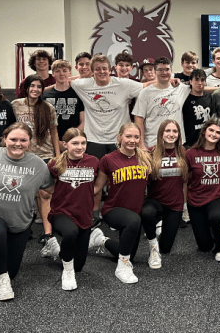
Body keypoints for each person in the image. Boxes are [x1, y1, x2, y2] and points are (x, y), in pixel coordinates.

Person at [0, 123, 55, 300]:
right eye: (13, 139)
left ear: (30, 142)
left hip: (19, 221)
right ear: (5, 140)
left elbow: (49, 191)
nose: (18, 143)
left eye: (23, 140)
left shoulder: (38, 165)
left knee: (12, 271)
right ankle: (2, 280)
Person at [92, 123, 154, 283]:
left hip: (135, 212)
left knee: (126, 251)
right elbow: (98, 187)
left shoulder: (145, 157)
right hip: (113, 209)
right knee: (133, 222)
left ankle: (101, 240)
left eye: (136, 137)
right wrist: (74, 195)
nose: (132, 140)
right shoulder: (108, 159)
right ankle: (122, 267)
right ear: (119, 138)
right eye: (128, 136)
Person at [42, 128, 99, 291]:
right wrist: (62, 194)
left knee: (79, 265)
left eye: (83, 143)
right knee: (70, 233)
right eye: (75, 143)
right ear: (65, 144)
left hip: (84, 214)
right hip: (61, 213)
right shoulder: (55, 164)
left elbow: (99, 184)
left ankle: (56, 250)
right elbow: (46, 188)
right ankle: (67, 271)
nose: (80, 147)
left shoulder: (94, 161)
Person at [70, 54, 145, 160]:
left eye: (104, 69)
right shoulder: (82, 85)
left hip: (119, 139)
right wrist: (43, 90)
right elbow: (63, 82)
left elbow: (147, 86)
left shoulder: (124, 84)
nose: (102, 72)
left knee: (119, 175)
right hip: (93, 140)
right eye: (97, 69)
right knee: (96, 173)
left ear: (110, 70)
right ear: (92, 72)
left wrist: (168, 81)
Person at [186, 118, 220, 265]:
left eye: (218, 132)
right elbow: (185, 179)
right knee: (204, 247)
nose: (214, 134)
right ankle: (211, 237)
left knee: (217, 216)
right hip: (195, 200)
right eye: (211, 130)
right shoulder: (191, 153)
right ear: (204, 131)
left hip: (217, 196)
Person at [12, 74, 59, 237]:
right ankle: (25, 225)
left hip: (45, 154)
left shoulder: (48, 108)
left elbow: (54, 131)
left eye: (39, 87)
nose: (35, 89)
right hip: (22, 154)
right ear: (26, 88)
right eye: (32, 86)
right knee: (23, 191)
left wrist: (58, 155)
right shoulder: (15, 105)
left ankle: (48, 231)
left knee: (45, 193)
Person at [142, 119, 189, 268]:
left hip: (175, 204)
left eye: (174, 131)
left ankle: (160, 231)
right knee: (146, 212)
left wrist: (185, 204)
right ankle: (152, 245)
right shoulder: (151, 152)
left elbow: (185, 182)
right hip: (155, 201)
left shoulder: (182, 152)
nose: (171, 134)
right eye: (167, 131)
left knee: (166, 249)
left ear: (179, 134)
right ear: (161, 133)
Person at [133, 56, 191, 148]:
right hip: (153, 143)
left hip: (176, 144)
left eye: (167, 69)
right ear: (155, 72)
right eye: (160, 70)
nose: (164, 72)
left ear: (171, 71)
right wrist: (141, 144)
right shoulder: (145, 93)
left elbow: (200, 89)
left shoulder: (181, 88)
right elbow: (139, 119)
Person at [44, 60, 85, 147]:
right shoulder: (46, 96)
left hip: (74, 141)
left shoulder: (78, 94)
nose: (61, 74)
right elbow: (43, 123)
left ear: (70, 73)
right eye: (57, 71)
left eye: (64, 71)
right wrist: (56, 141)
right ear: (53, 74)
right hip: (51, 142)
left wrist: (72, 140)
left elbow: (83, 121)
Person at [182, 69, 215, 148]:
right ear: (190, 81)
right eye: (196, 80)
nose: (200, 83)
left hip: (207, 142)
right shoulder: (184, 99)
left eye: (202, 80)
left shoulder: (210, 97)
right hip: (190, 143)